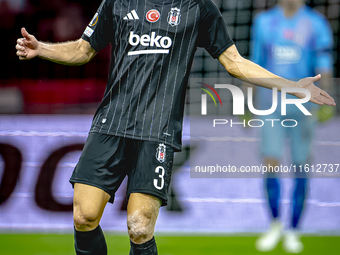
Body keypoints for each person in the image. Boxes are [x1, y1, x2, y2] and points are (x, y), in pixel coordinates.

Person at [15, 0, 335, 254]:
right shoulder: (117, 2)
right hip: (110, 125)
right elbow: (82, 50)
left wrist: (290, 86)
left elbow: (235, 62)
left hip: (158, 131)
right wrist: (41, 48)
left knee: (139, 227)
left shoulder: (198, 8)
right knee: (84, 217)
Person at [249, 0, 334, 253]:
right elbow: (254, 64)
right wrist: (246, 103)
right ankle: (275, 224)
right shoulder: (263, 22)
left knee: (301, 165)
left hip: (304, 107)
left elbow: (323, 63)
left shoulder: (316, 22)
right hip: (270, 105)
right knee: (270, 161)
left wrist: (327, 98)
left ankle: (294, 230)